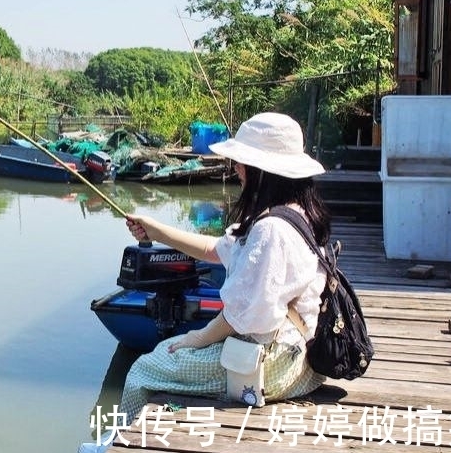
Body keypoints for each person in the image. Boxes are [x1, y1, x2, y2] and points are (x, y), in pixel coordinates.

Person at [118, 112, 331, 420]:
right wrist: (155, 230)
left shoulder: (270, 230)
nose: (236, 169)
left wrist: (196, 338)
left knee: (144, 367)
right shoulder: (294, 213)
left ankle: (121, 438)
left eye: (241, 162)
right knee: (168, 354)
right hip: (296, 353)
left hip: (272, 365)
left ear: (262, 170)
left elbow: (242, 315)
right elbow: (214, 249)